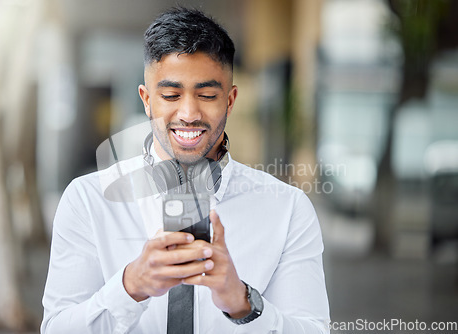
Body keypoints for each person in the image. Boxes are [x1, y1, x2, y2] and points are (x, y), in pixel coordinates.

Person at [41, 7, 330, 334]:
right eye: (170, 95)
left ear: (230, 101)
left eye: (207, 95)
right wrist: (131, 285)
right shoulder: (87, 201)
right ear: (147, 99)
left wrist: (241, 301)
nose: (189, 113)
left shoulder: (288, 210)